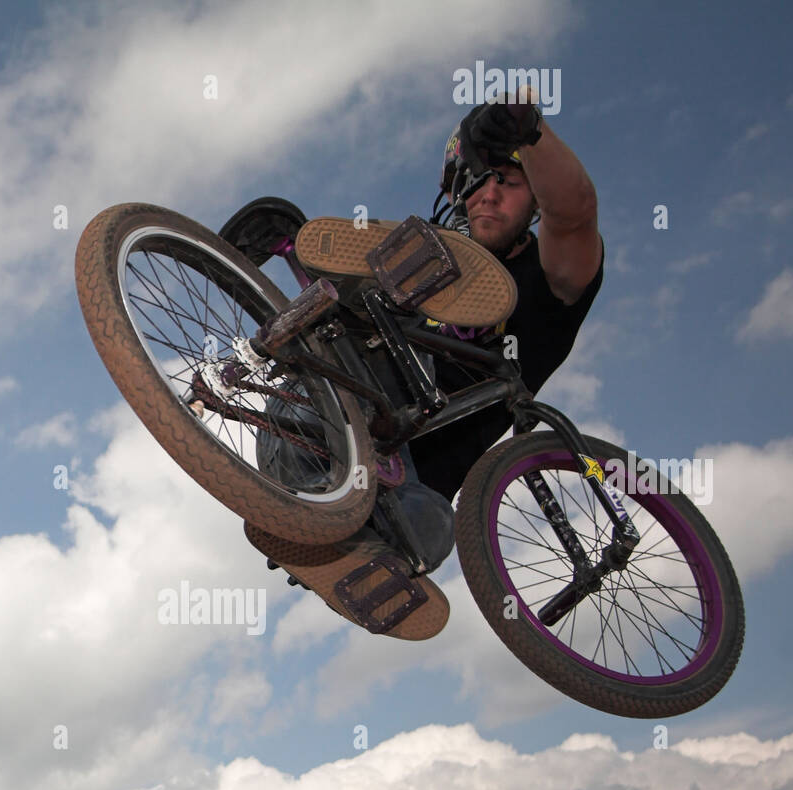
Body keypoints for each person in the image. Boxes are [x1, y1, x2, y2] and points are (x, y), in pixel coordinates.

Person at [248, 90, 604, 641]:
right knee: (364, 314)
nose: (486, 198)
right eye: (473, 187)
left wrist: (527, 130)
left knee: (430, 529)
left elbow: (576, 213)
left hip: (409, 494)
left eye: (505, 185)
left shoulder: (551, 276)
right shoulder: (431, 274)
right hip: (319, 427)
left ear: (533, 201)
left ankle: (339, 529)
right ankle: (300, 269)